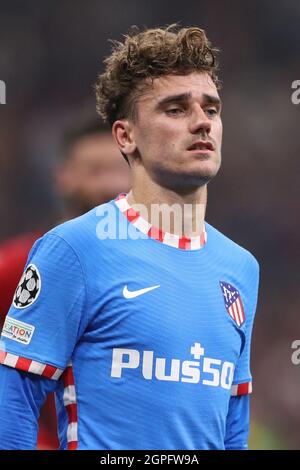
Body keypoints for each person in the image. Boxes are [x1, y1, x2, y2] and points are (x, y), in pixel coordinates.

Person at [0, 25, 259, 450]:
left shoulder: (241, 267)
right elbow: (14, 403)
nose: (201, 123)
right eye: (175, 110)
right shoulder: (74, 249)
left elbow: (233, 423)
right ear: (126, 135)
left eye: (211, 110)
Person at [0, 117, 131, 449]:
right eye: (94, 171)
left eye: (120, 169)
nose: (108, 185)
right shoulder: (14, 268)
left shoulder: (160, 274)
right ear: (63, 178)